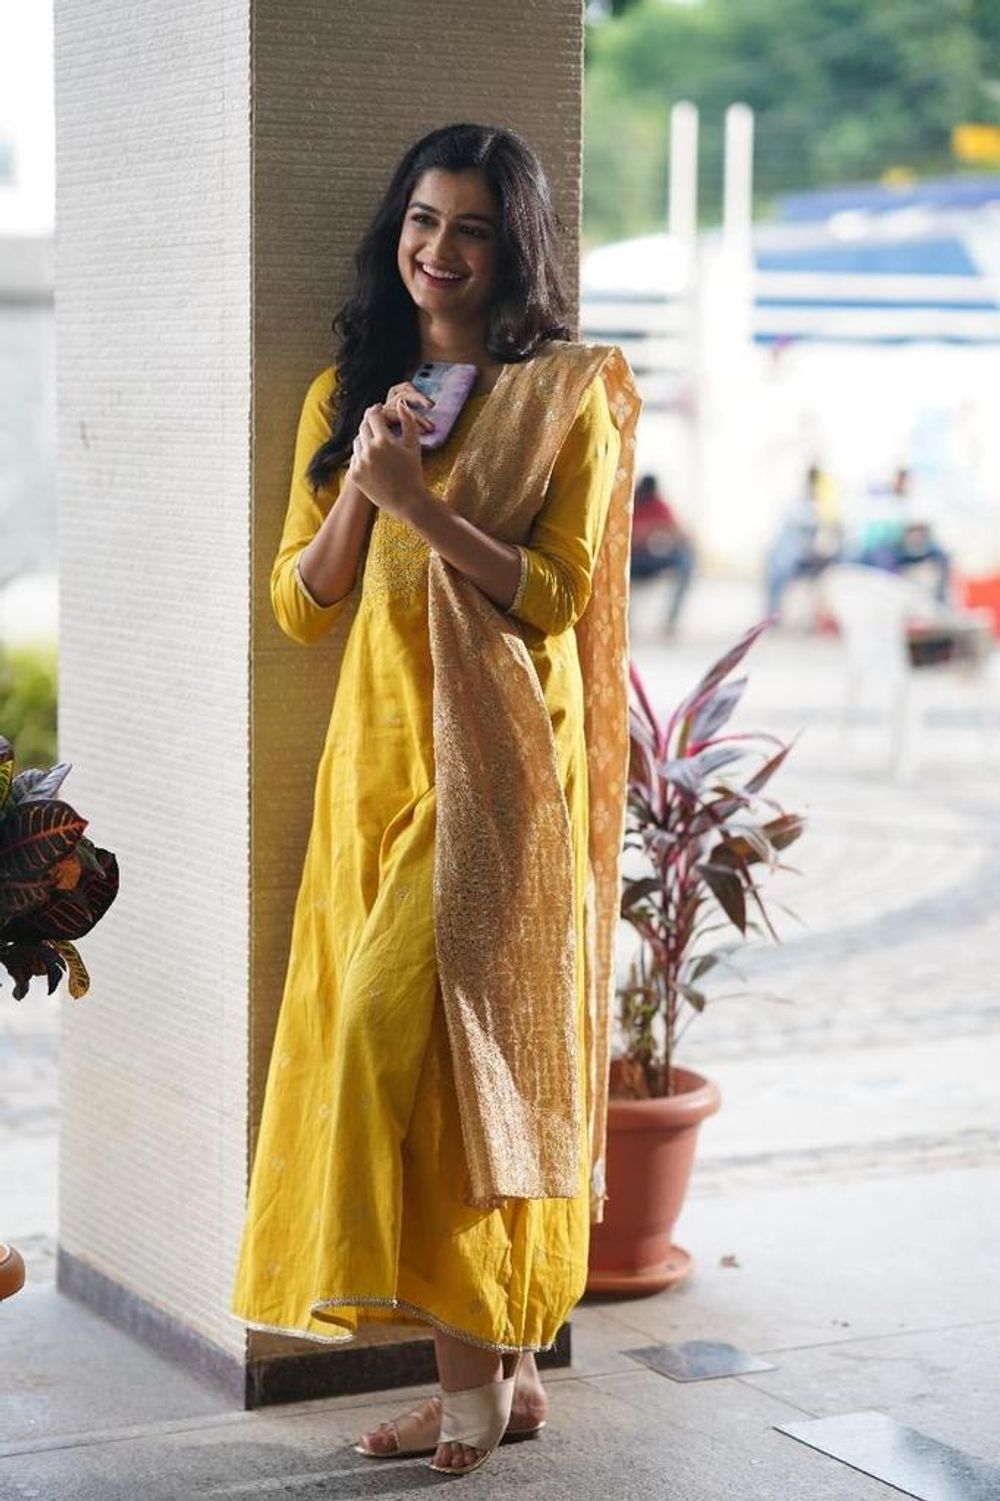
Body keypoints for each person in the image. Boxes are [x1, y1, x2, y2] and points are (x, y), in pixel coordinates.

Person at [228, 123, 640, 1478]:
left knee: (413, 1043)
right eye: (421, 219)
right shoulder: (351, 393)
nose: (438, 250)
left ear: (514, 247)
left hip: (506, 774)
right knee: (455, 1068)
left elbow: (553, 594)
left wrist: (419, 505)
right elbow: (303, 603)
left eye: (470, 227)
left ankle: (468, 1391)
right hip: (380, 767)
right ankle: (505, 1376)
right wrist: (368, 485)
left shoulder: (563, 396)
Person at [855, 466, 952, 604]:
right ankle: (890, 601)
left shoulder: (916, 499)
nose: (903, 484)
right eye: (900, 480)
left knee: (942, 555)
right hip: (894, 546)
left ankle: (939, 600)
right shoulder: (884, 501)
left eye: (906, 481)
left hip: (916, 541)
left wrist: (918, 532)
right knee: (883, 557)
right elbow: (882, 532)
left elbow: (924, 524)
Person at [764, 463, 842, 622]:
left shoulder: (819, 505)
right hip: (792, 558)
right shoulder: (800, 505)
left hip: (804, 559)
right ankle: (773, 617)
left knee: (782, 573)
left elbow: (828, 532)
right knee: (776, 574)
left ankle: (777, 617)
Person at [629, 473, 695, 631]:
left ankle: (671, 619)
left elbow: (680, 532)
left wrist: (662, 532)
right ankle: (624, 619)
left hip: (652, 556)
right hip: (632, 560)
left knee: (686, 559)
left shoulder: (658, 504)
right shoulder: (629, 504)